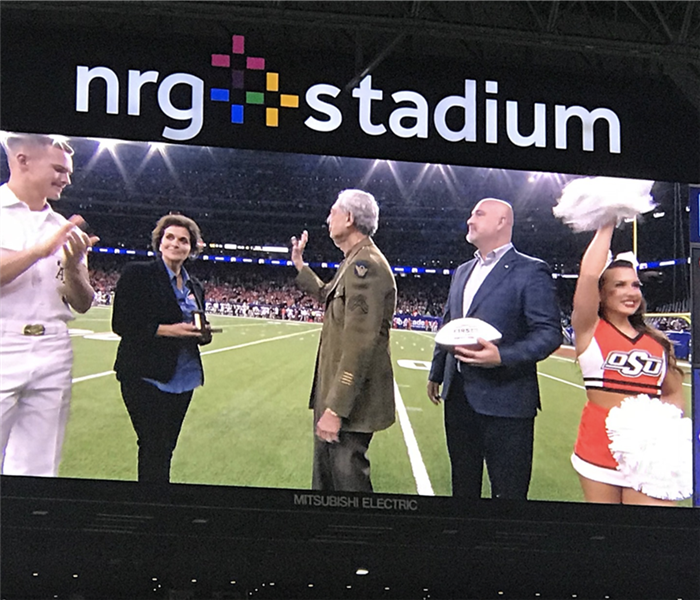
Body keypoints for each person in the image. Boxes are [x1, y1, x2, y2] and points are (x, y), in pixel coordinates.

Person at [427, 198, 561, 499]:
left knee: (509, 494)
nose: (470, 219)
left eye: (478, 213)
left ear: (502, 221)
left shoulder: (531, 270)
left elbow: (550, 333)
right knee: (462, 487)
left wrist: (502, 356)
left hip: (507, 402)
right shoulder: (462, 271)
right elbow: (449, 323)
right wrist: (437, 372)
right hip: (458, 397)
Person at [0, 133, 96, 477]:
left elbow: (82, 302)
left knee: (38, 468)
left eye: (68, 171)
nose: (67, 178)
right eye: (58, 168)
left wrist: (73, 268)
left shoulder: (62, 226)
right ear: (23, 160)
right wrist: (39, 252)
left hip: (54, 345)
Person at [570, 223, 686, 505]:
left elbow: (672, 392)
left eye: (635, 284)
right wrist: (608, 221)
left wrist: (658, 428)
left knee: (651, 538)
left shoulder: (658, 342)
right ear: (601, 293)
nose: (630, 291)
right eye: (619, 285)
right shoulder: (590, 330)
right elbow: (587, 276)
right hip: (598, 451)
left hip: (647, 458)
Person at [291, 189, 397, 492]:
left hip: (350, 404)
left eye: (333, 212)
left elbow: (361, 343)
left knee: (346, 484)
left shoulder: (367, 267)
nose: (328, 218)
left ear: (349, 218)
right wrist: (301, 265)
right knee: (327, 482)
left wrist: (336, 409)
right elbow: (328, 295)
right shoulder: (354, 261)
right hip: (339, 397)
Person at [112, 214, 212, 484]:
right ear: (159, 242)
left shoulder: (195, 286)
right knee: (153, 445)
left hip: (184, 377)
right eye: (170, 237)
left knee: (165, 447)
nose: (176, 244)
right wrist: (170, 330)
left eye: (183, 240)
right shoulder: (138, 273)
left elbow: (197, 326)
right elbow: (121, 323)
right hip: (145, 374)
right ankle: (151, 507)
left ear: (191, 248)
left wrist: (202, 334)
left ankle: (157, 500)